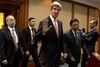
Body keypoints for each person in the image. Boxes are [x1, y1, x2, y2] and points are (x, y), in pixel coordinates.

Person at [36, 1, 63, 67]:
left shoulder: (60, 23)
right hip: (48, 55)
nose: (56, 11)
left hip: (57, 54)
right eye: (54, 9)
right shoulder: (44, 22)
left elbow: (60, 38)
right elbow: (36, 37)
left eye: (58, 10)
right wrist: (43, 32)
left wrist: (63, 51)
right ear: (51, 10)